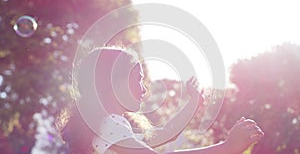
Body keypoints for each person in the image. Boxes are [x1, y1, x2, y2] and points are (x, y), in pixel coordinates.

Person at [56, 47, 264, 154]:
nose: (144, 89)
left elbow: (164, 134)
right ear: (115, 84)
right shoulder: (111, 124)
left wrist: (193, 104)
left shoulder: (107, 125)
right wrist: (226, 148)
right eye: (138, 80)